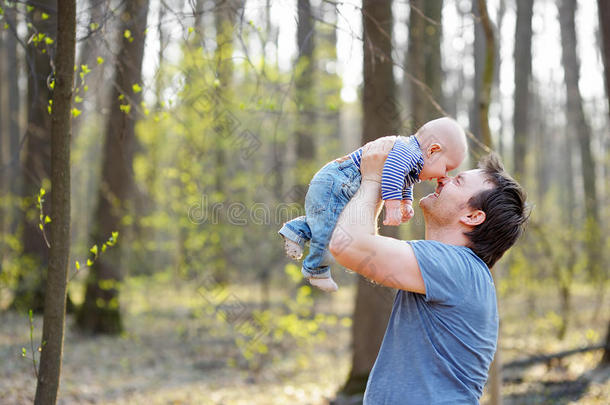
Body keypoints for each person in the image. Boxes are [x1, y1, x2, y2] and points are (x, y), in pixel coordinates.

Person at [328, 137, 528, 404]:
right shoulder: (456, 269)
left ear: (472, 216)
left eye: (458, 181)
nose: (443, 178)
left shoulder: (455, 266)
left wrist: (376, 178)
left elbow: (346, 245)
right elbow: (360, 247)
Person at [278, 117, 467, 292]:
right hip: (339, 179)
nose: (444, 177)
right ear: (433, 150)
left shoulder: (413, 158)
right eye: (447, 168)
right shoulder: (408, 151)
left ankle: (296, 230)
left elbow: (403, 180)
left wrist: (406, 202)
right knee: (329, 227)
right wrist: (392, 207)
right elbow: (393, 174)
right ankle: (315, 269)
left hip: (343, 181)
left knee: (331, 221)